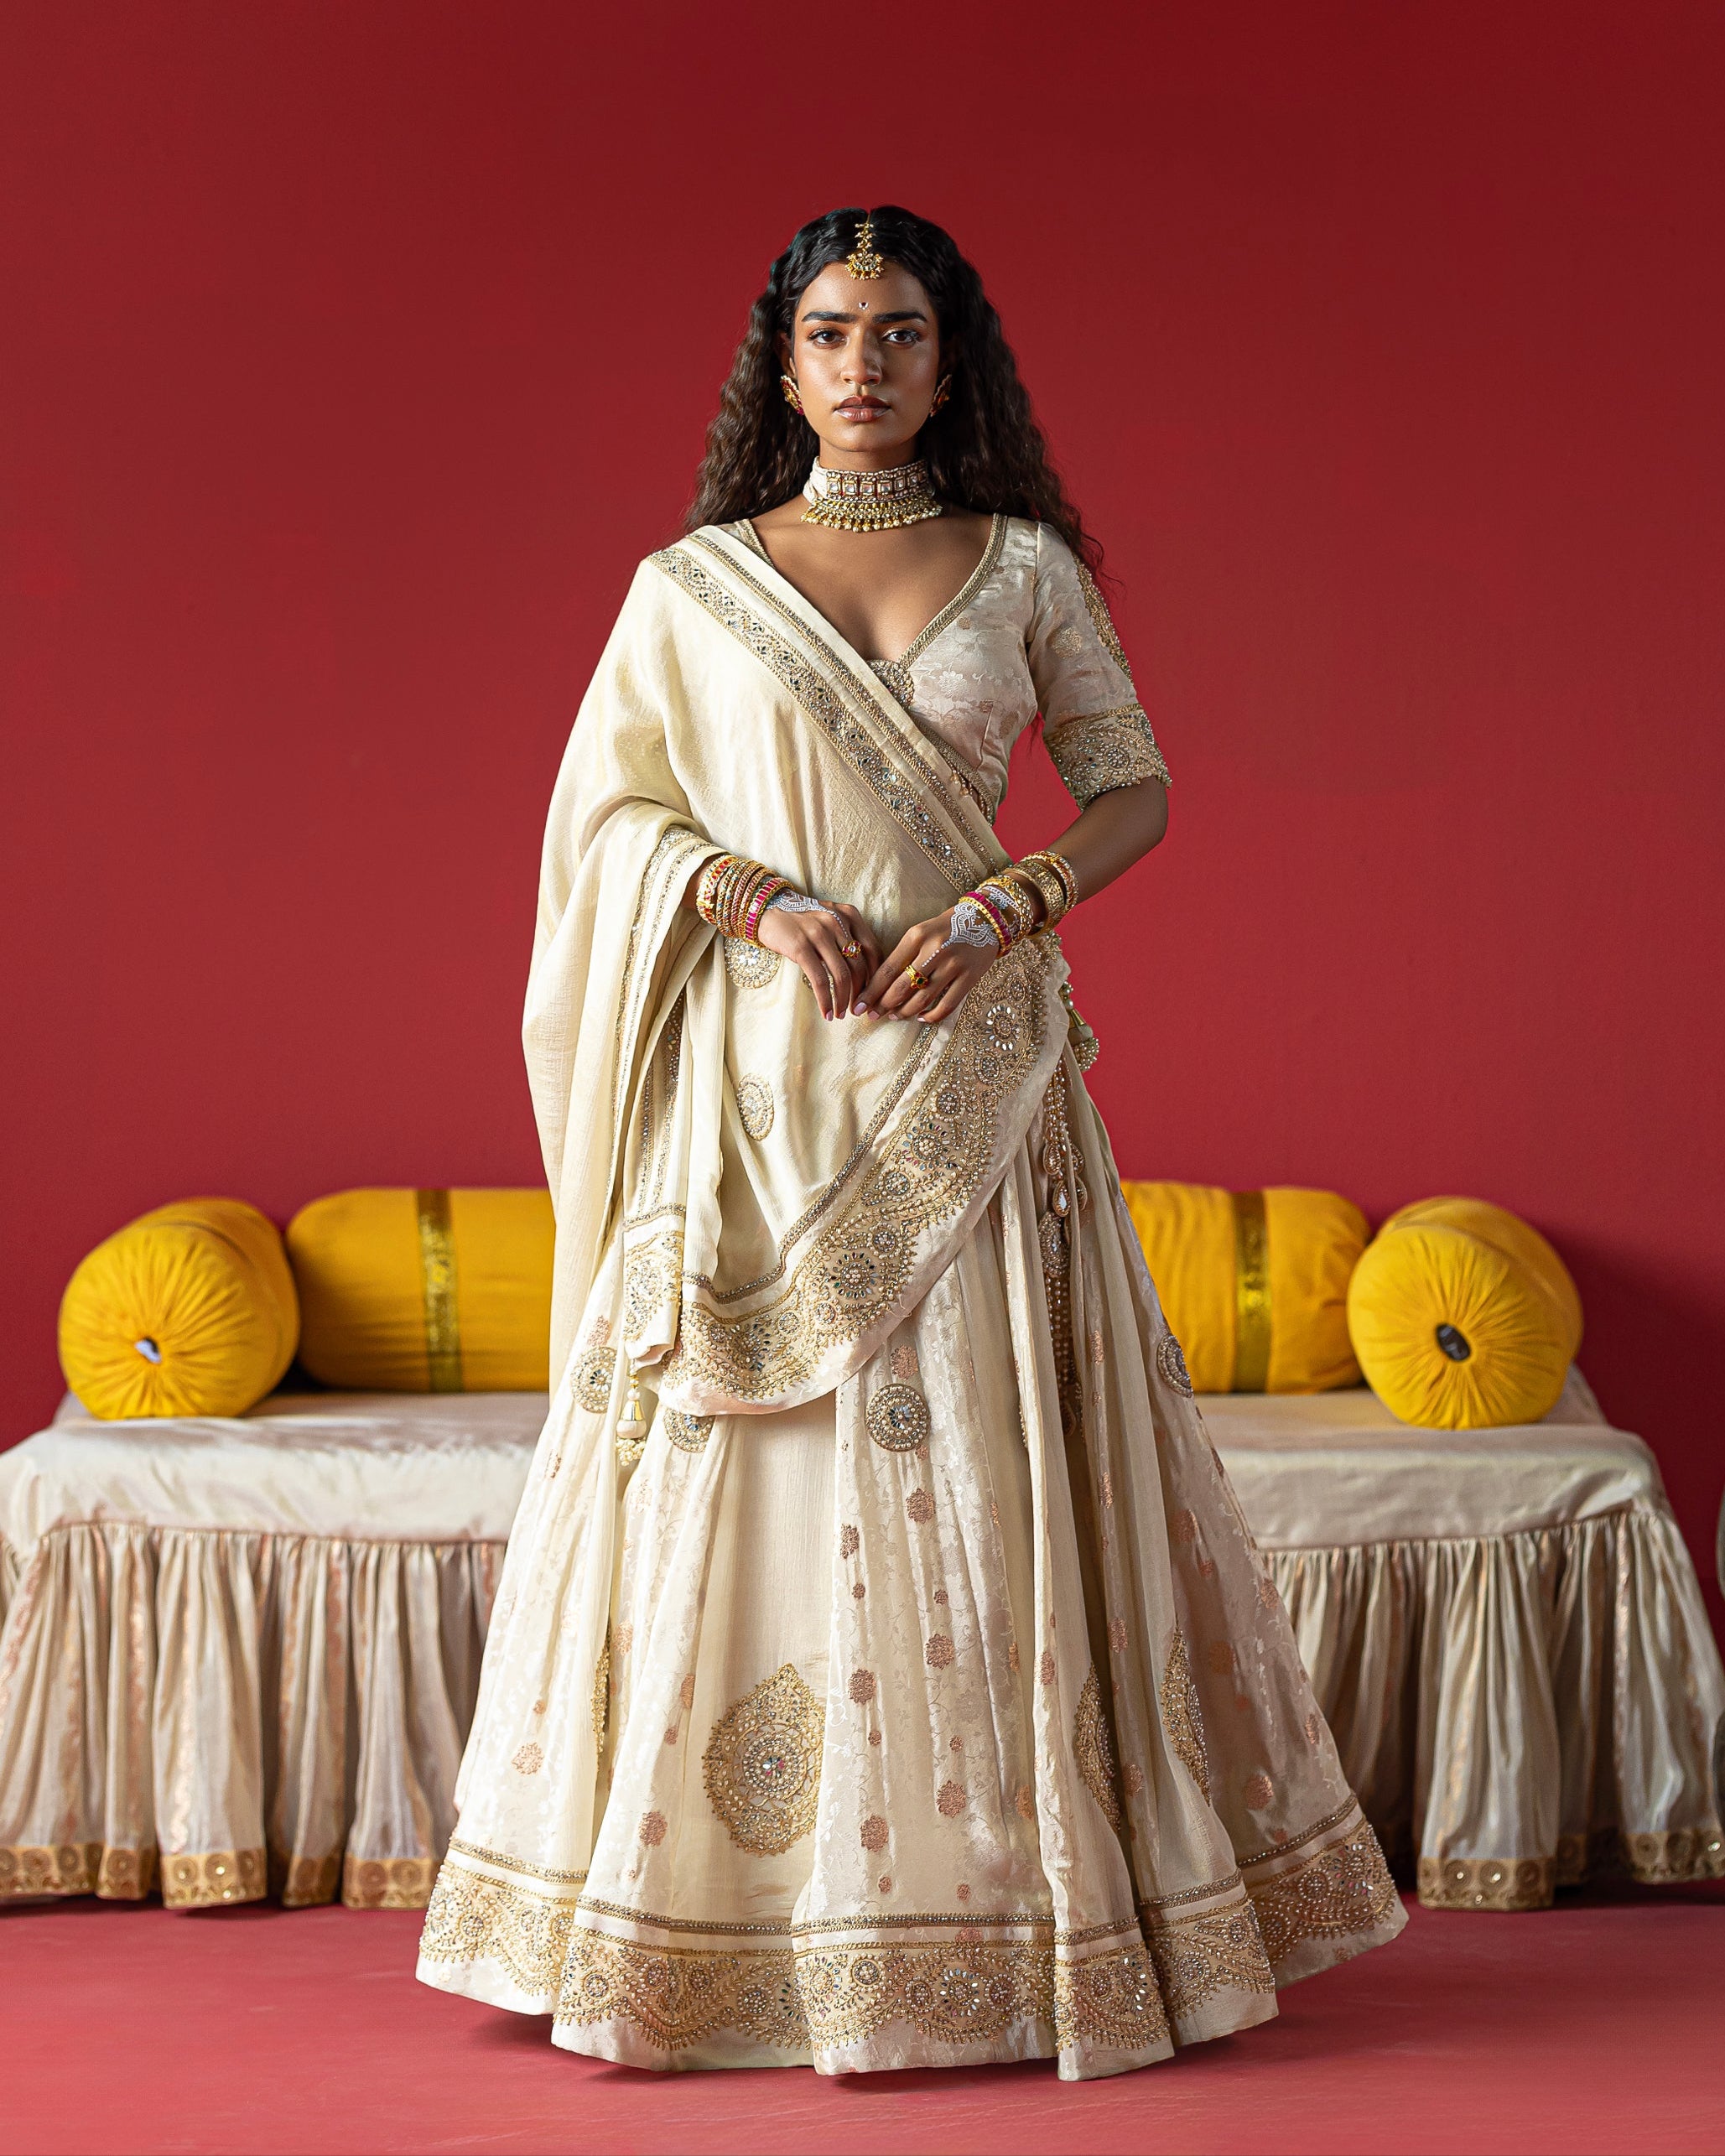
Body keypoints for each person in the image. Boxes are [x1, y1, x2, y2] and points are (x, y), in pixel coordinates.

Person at [417, 205, 1403, 2081]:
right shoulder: (693, 586)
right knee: (743, 1491)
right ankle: (706, 1931)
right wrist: (748, 896)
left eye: (903, 334)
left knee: (991, 1475)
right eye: (831, 332)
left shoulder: (1023, 566)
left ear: (955, 364)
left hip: (974, 1090)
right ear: (779, 361)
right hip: (750, 1113)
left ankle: (1026, 1918)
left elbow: (1135, 784)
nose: (865, 366)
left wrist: (1011, 902)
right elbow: (603, 821)